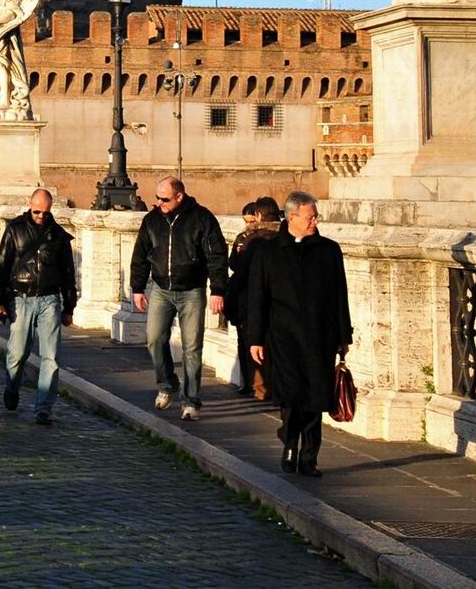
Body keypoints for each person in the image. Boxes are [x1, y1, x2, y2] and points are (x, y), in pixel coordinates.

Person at [246, 191, 351, 477]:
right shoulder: (268, 252)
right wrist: (255, 337)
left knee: (316, 396)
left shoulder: (328, 250)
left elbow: (339, 295)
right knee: (292, 395)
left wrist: (344, 335)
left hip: (321, 335)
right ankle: (290, 444)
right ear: (291, 217)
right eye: (310, 216)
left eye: (316, 216)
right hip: (284, 336)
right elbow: (257, 297)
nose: (315, 221)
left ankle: (309, 456)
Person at [129, 176, 227, 421]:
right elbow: (140, 255)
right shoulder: (152, 221)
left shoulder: (202, 219)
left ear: (179, 197)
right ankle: (167, 383)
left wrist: (217, 290)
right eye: (157, 198)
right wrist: (137, 288)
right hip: (161, 289)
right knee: (154, 339)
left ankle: (191, 401)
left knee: (192, 348)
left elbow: (217, 255)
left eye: (164, 199)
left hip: (192, 290)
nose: (159, 203)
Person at [0, 187, 77, 424]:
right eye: (37, 211)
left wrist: (69, 307)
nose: (40, 216)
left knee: (51, 358)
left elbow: (68, 273)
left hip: (50, 299)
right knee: (17, 353)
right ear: (30, 205)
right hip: (21, 297)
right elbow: (1, 266)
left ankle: (43, 408)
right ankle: (12, 386)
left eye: (45, 212)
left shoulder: (58, 236)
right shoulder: (14, 230)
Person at [227, 196, 283, 400]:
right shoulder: (286, 236)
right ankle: (274, 387)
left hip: (251, 299)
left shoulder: (251, 240)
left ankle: (259, 387)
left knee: (252, 343)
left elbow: (237, 268)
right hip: (280, 302)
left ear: (259, 215)